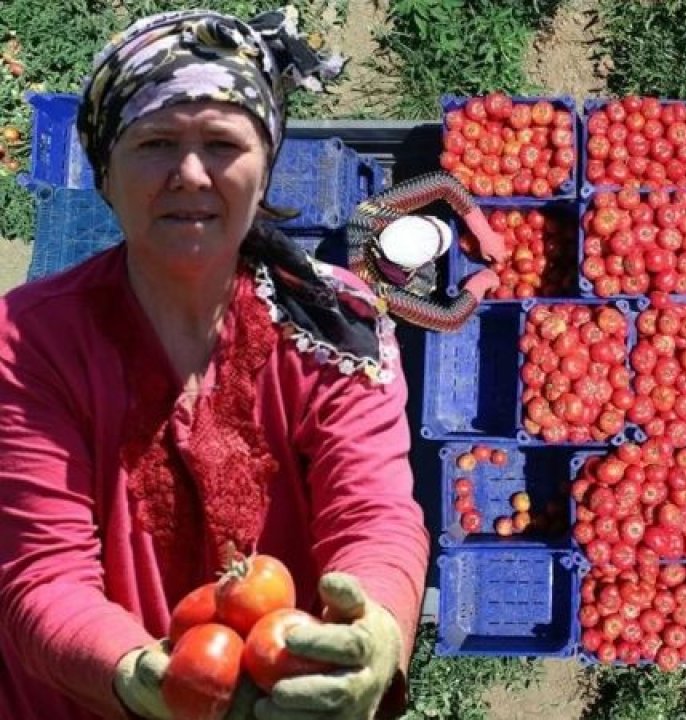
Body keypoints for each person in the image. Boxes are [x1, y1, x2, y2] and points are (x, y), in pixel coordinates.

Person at [0, 8, 433, 719]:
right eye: (156, 143)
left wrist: (377, 627)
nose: (191, 174)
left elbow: (374, 511)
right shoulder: (27, 341)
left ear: (265, 168)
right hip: (84, 697)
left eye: (224, 144)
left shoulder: (335, 322)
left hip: (280, 693)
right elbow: (41, 573)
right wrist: (135, 676)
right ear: (106, 173)